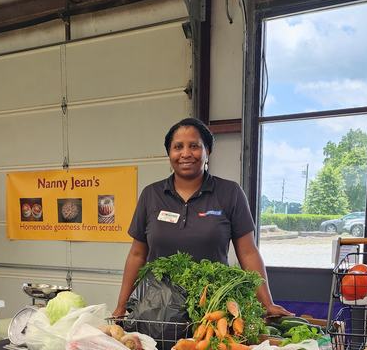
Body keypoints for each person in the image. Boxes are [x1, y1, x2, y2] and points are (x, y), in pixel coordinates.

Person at [113, 117, 292, 318]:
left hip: (213, 307)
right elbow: (137, 254)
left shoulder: (230, 192)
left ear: (208, 152)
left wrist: (267, 303)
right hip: (157, 309)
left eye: (194, 146)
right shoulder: (151, 195)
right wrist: (121, 306)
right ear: (169, 154)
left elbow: (248, 252)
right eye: (178, 147)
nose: (186, 153)